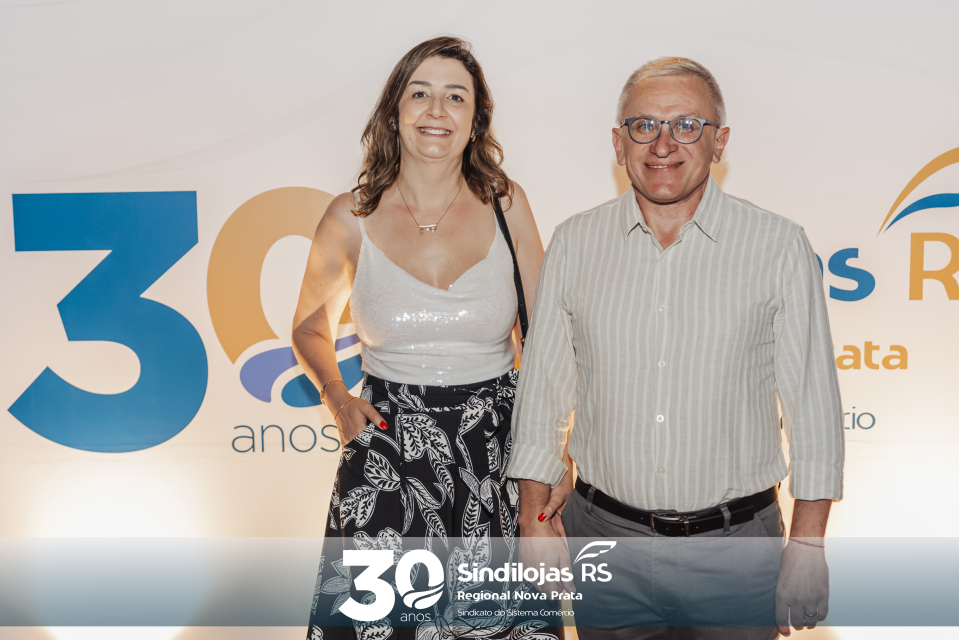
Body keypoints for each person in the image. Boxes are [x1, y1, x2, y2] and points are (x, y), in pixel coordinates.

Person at [507, 57, 845, 639]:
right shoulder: (575, 243)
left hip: (738, 553)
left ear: (720, 142)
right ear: (619, 143)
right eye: (644, 125)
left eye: (687, 125)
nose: (663, 144)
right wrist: (532, 518)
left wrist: (809, 543)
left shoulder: (777, 245)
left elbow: (813, 407)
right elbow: (542, 395)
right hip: (603, 545)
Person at [292, 37, 569, 640]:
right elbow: (310, 326)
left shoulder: (507, 204)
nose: (436, 111)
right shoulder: (349, 216)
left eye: (455, 97)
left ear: (476, 120)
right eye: (420, 94)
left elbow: (546, 342)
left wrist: (554, 456)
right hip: (388, 452)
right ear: (395, 111)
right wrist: (338, 400)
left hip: (497, 453)